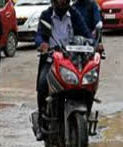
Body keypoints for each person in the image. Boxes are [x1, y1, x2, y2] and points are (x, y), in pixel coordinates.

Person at [33, 0, 90, 137]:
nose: (62, 2)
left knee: (86, 84)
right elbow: (39, 35)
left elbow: (86, 33)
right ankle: (41, 121)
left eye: (65, 0)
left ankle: (86, 114)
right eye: (59, 0)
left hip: (72, 60)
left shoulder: (74, 15)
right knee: (42, 84)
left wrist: (94, 43)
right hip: (51, 59)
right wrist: (42, 44)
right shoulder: (46, 15)